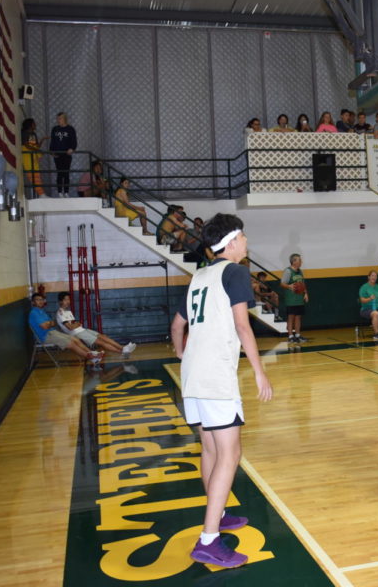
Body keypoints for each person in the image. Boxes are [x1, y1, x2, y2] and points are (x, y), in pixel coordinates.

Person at [169, 213, 273, 568]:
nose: (246, 242)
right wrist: (260, 372)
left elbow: (177, 325)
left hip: (193, 376)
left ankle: (221, 513)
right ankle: (209, 539)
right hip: (215, 376)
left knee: (210, 448)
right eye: (243, 236)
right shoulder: (235, 272)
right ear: (231, 242)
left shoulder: (200, 274)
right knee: (230, 453)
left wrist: (183, 354)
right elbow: (243, 327)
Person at [28, 293, 104, 366]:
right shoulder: (34, 313)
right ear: (33, 302)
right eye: (37, 300)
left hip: (53, 332)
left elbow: (54, 323)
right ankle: (91, 357)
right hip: (45, 336)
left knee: (75, 339)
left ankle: (92, 353)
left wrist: (49, 323)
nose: (40, 301)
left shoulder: (42, 311)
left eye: (42, 299)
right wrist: (49, 323)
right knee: (70, 343)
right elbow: (45, 326)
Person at [55, 292, 135, 356]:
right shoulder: (60, 313)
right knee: (101, 342)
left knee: (103, 337)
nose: (68, 301)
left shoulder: (68, 311)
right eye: (66, 299)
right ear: (60, 301)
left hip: (82, 330)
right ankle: (121, 352)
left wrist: (77, 324)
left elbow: (75, 323)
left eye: (69, 299)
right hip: (76, 333)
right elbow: (70, 327)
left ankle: (123, 348)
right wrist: (77, 324)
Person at [281, 253, 309, 343]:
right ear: (293, 262)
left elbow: (302, 284)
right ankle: (290, 336)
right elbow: (282, 283)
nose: (301, 262)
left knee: (298, 317)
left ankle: (297, 335)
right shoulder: (288, 271)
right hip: (291, 299)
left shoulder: (300, 271)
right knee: (291, 317)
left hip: (299, 298)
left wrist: (306, 293)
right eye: (299, 260)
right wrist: (290, 286)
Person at [49, 112, 77, 197]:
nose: (58, 120)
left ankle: (66, 192)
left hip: (66, 154)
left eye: (60, 118)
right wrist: (52, 151)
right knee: (59, 173)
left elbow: (74, 141)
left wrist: (72, 148)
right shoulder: (55, 129)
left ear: (65, 119)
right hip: (58, 154)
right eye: (58, 118)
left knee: (66, 172)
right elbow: (53, 141)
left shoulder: (70, 129)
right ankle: (60, 192)